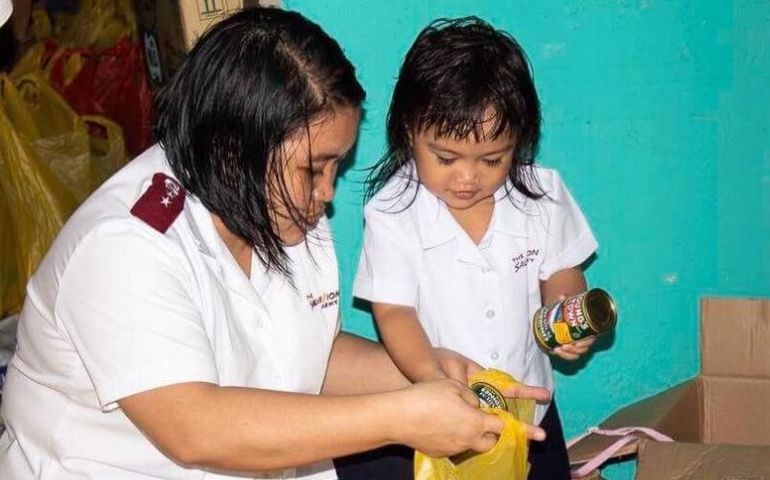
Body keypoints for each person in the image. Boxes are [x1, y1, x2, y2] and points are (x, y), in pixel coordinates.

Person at [0, 8, 547, 480]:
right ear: (235, 153)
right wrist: (402, 416)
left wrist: (431, 373)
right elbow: (195, 427)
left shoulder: (279, 207)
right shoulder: (124, 249)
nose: (328, 194)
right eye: (314, 169)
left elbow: (305, 353)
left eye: (335, 165)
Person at [354, 17, 598, 479]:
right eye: (445, 158)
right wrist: (430, 378)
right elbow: (394, 314)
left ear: (519, 142)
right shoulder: (391, 213)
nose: (467, 178)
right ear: (408, 131)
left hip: (532, 411)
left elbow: (561, 271)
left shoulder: (542, 195)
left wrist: (566, 311)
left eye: (492, 160)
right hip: (445, 419)